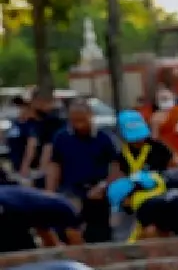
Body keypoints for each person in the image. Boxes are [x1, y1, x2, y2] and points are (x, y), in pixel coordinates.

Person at [43, 99, 123, 243]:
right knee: (68, 227)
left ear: (90, 116)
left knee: (99, 234)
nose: (78, 125)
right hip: (71, 190)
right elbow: (55, 166)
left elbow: (116, 167)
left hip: (98, 191)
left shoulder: (105, 138)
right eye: (74, 121)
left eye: (82, 120)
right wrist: (50, 193)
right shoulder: (62, 138)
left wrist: (104, 185)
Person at [110, 174, 178, 238]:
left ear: (126, 198)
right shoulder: (158, 193)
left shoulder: (143, 206)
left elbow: (148, 232)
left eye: (122, 203)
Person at [0, 183, 83, 251]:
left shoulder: (43, 206)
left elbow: (48, 240)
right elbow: (77, 248)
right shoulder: (68, 210)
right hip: (9, 208)